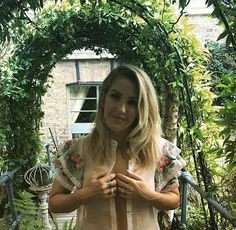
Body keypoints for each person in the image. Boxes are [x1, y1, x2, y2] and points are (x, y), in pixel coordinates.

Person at [49, 65, 186, 230]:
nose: (121, 109)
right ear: (105, 97)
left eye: (132, 102)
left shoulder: (159, 150)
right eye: (115, 97)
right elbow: (54, 203)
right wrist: (86, 194)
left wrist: (147, 195)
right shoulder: (79, 149)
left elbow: (174, 199)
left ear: (142, 108)